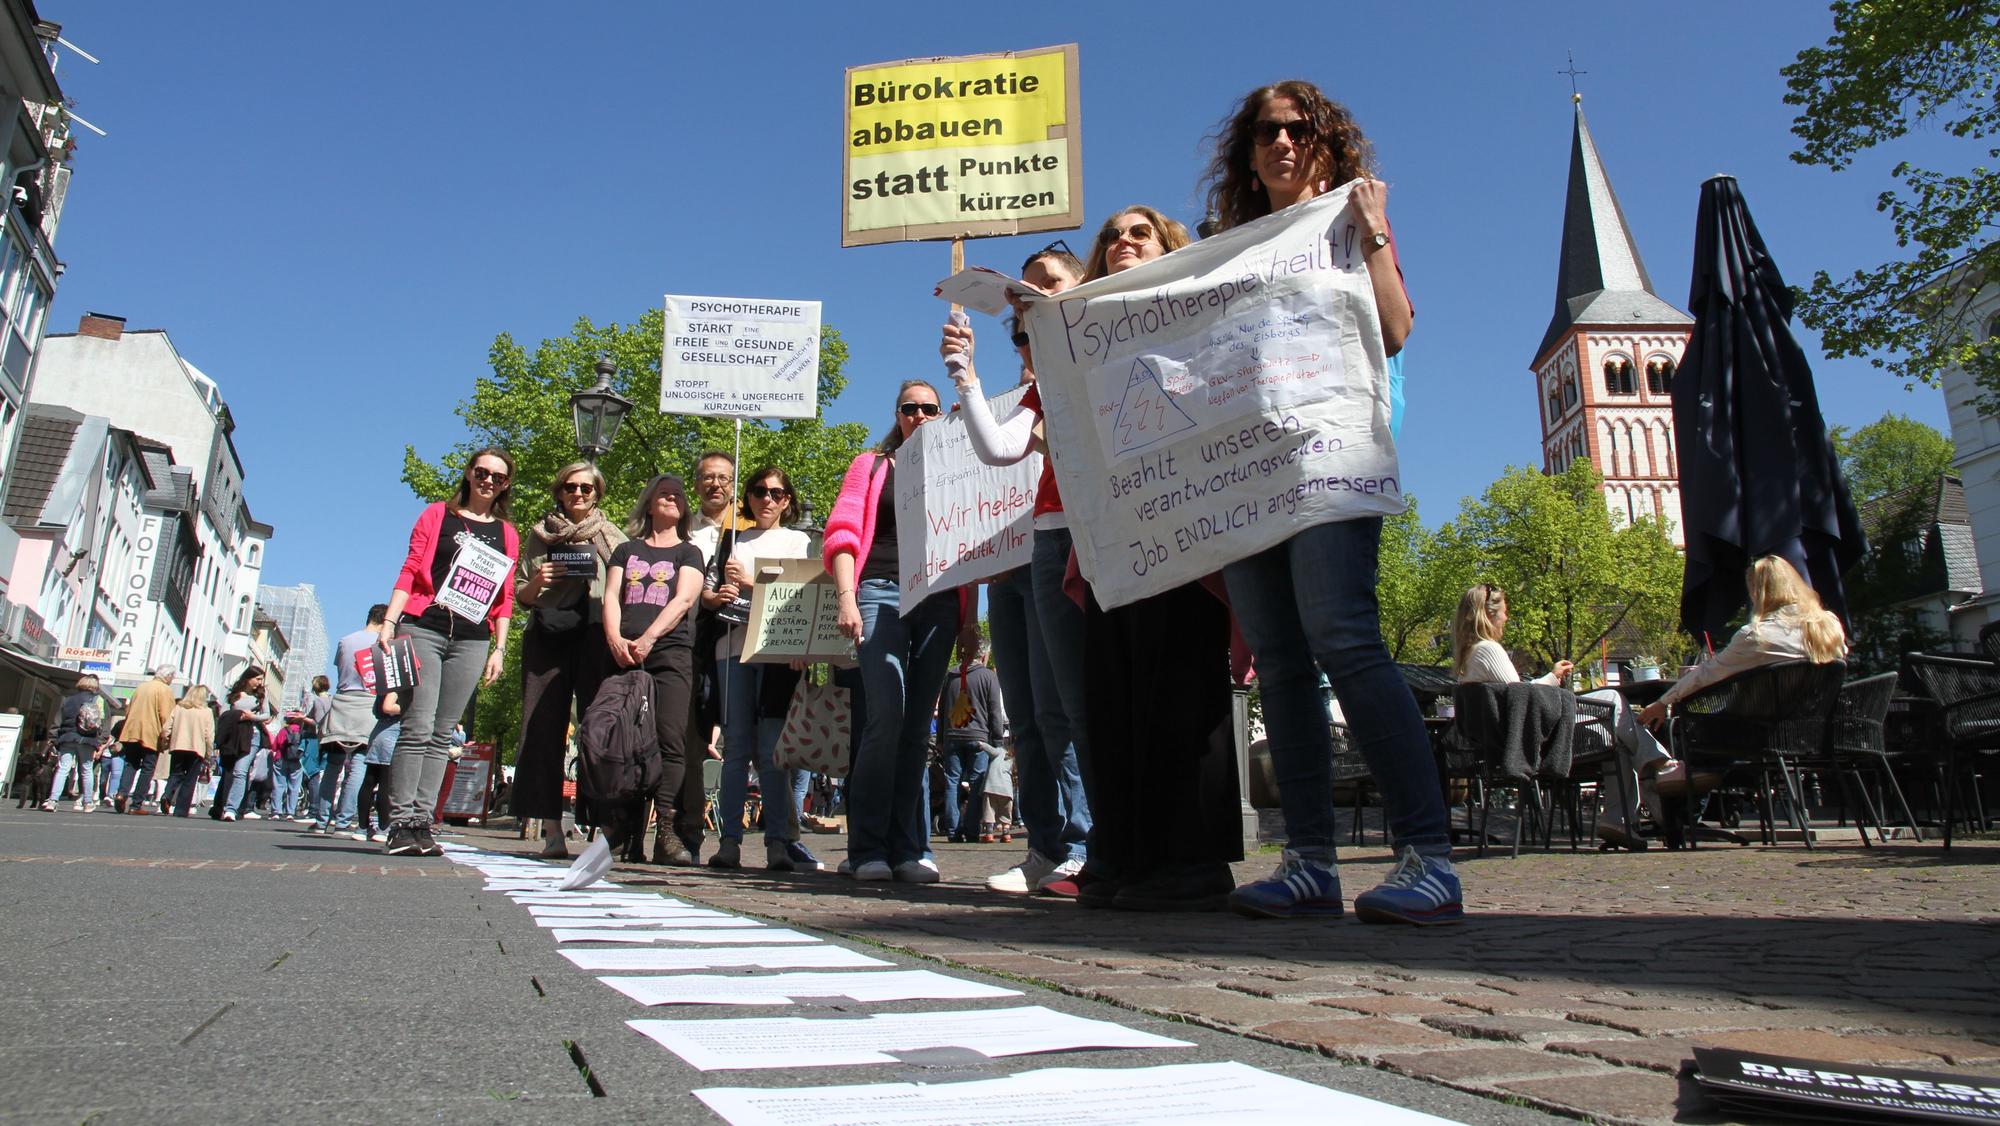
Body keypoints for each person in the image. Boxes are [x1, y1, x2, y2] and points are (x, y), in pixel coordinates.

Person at [1192, 81, 1459, 924]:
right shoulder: (1230, 244)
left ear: (1325, 142)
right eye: (1266, 132)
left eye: (1299, 129)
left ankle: (1430, 857)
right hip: (1248, 474)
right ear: (1248, 152)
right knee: (1278, 661)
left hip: (1331, 460)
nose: (1282, 142)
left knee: (1344, 637)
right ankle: (1309, 861)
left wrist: (1375, 230)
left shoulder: (1347, 224)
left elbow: (1395, 329)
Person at [940, 241, 1096, 896]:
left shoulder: (1097, 358)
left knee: (1063, 710)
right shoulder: (1035, 392)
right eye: (1021, 295)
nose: (1029, 299)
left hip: (1073, 547)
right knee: (1028, 716)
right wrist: (967, 377)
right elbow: (1000, 449)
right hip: (1021, 558)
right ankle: (1046, 846)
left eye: (1047, 284)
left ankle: (1085, 845)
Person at [825, 379, 974, 883]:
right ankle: (866, 847)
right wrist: (848, 596)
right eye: (910, 408)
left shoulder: (955, 470)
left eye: (930, 408)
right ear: (897, 414)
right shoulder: (871, 466)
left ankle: (909, 848)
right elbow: (842, 534)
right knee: (884, 716)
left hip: (937, 601)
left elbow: (969, 542)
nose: (920, 415)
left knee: (917, 730)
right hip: (881, 591)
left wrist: (970, 619)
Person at [1453, 583, 1673, 850]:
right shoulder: (1489, 649)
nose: (1507, 618)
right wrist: (1552, 679)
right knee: (1613, 701)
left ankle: (1621, 816)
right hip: (1532, 739)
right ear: (1489, 615)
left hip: (1507, 739)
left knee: (1618, 742)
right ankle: (1661, 768)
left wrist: (1551, 677)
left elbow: (1517, 694)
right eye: (1505, 612)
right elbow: (1522, 701)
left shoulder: (1468, 657)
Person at [380, 447, 521, 857]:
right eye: (482, 472)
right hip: (424, 626)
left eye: (498, 476)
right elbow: (409, 568)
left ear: (505, 484)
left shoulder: (506, 533)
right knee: (417, 726)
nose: (488, 481)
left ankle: (424, 822)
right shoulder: (437, 514)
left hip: (473, 638)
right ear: (470, 473)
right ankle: (401, 822)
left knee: (444, 734)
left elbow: (505, 596)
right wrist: (389, 622)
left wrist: (500, 648)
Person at [702, 464, 818, 872]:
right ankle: (729, 840)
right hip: (732, 649)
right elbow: (709, 590)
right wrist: (716, 595)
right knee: (735, 749)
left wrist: (750, 583)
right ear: (748, 497)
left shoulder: (798, 541)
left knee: (771, 752)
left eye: (776, 493)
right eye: (759, 491)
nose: (767, 499)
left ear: (787, 500)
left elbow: (797, 592)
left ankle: (777, 843)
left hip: (776, 652)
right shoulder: (730, 539)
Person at [511, 461, 624, 859]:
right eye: (571, 488)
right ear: (559, 492)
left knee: (599, 730)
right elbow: (521, 595)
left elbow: (629, 589)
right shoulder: (541, 535)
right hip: (548, 636)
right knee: (542, 729)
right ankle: (551, 829)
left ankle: (602, 828)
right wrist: (539, 583)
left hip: (595, 636)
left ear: (597, 494)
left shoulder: (614, 537)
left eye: (586, 489)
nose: (578, 494)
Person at [603, 473, 705, 864]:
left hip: (670, 653)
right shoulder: (626, 550)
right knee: (623, 744)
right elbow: (612, 595)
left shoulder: (689, 553)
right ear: (648, 503)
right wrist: (614, 637)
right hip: (623, 654)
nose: (672, 498)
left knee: (669, 740)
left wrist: (649, 638)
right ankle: (625, 833)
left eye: (679, 495)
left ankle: (666, 830)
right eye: (664, 493)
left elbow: (683, 601)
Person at [1639, 556, 1848, 733]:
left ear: (1758, 592)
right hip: (1817, 727)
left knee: (1689, 729)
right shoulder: (1829, 626)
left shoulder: (1757, 636)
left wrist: (1663, 702)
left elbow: (1707, 674)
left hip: (1759, 731)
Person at [314, 607, 386, 835]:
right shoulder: (383, 643)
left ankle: (321, 819)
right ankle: (343, 822)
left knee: (333, 765)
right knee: (358, 765)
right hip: (367, 705)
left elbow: (340, 669)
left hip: (343, 701)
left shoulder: (346, 640)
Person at [937, 638, 1005, 844]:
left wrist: (941, 737)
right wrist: (998, 740)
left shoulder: (950, 675)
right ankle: (972, 829)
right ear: (982, 654)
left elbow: (942, 711)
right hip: (979, 738)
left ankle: (952, 830)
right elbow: (994, 710)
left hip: (952, 736)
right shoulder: (988, 676)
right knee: (977, 783)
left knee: (952, 782)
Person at [114, 665, 176, 814]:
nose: (172, 681)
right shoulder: (165, 690)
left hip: (132, 731)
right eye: (172, 678)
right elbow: (166, 715)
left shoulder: (141, 687)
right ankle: (136, 804)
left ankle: (122, 793)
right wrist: (167, 735)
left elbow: (128, 710)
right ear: (167, 677)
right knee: (147, 769)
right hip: (151, 733)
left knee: (130, 764)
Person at [218, 666, 275, 821]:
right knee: (229, 770)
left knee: (241, 771)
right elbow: (223, 712)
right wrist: (237, 716)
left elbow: (266, 715)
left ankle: (231, 809)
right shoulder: (234, 693)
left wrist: (252, 717)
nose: (259, 683)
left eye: (261, 680)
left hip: (252, 736)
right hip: (234, 735)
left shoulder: (262, 695)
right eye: (257, 679)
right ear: (248, 678)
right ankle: (222, 805)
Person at [43, 674, 106, 812]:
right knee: (86, 770)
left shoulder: (68, 700)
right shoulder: (98, 700)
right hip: (88, 739)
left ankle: (52, 801)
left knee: (63, 769)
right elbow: (103, 724)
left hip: (67, 737)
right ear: (95, 686)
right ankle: (88, 803)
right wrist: (100, 742)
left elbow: (57, 721)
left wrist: (53, 738)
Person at [158, 686, 215, 817]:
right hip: (196, 748)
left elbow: (166, 728)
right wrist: (208, 755)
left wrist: (166, 743)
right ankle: (181, 809)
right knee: (190, 780)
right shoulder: (207, 712)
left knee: (175, 774)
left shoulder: (179, 708)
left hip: (178, 746)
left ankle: (167, 794)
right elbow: (209, 736)